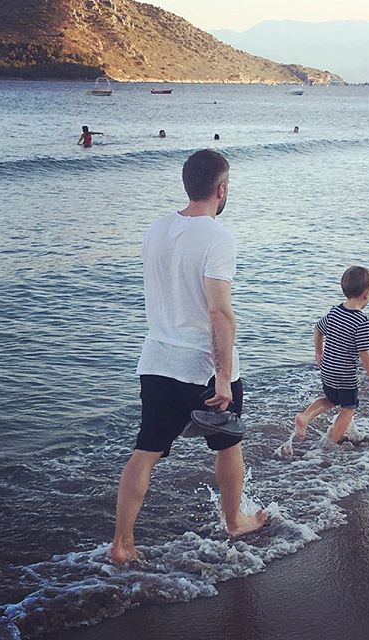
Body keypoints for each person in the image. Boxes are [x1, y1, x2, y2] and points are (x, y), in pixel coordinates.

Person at [109, 149, 267, 564]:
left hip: (157, 360)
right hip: (201, 366)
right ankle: (234, 522)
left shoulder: (156, 229)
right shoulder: (218, 237)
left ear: (187, 185)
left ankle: (121, 543)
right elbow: (219, 313)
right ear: (222, 189)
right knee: (228, 446)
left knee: (146, 450)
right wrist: (223, 376)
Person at [294, 266, 369, 444]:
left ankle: (305, 416)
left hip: (327, 369)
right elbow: (364, 352)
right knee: (349, 407)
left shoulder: (335, 312)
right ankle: (333, 441)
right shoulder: (361, 321)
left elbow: (318, 329)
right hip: (345, 374)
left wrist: (319, 352)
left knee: (330, 399)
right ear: (366, 294)